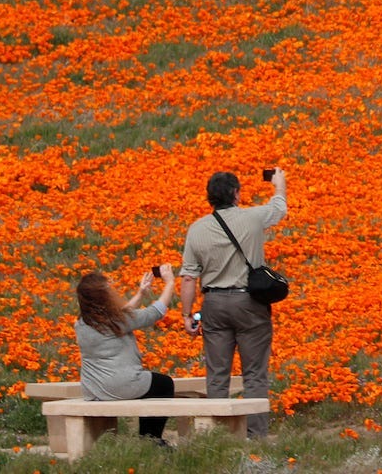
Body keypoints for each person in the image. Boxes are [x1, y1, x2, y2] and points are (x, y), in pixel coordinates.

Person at [179, 168, 287, 439]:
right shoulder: (251, 218)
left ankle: (219, 436)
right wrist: (279, 185)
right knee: (254, 374)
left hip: (214, 304)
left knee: (217, 374)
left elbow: (189, 278)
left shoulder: (197, 229)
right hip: (249, 303)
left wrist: (187, 315)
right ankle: (256, 436)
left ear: (209, 198)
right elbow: (279, 209)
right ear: (237, 194)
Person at [74, 265, 178, 446]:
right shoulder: (114, 321)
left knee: (153, 384)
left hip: (94, 389)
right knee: (164, 384)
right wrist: (170, 283)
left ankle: (149, 440)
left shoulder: (82, 324)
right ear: (103, 296)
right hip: (121, 385)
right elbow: (155, 313)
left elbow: (121, 316)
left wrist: (141, 293)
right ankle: (151, 440)